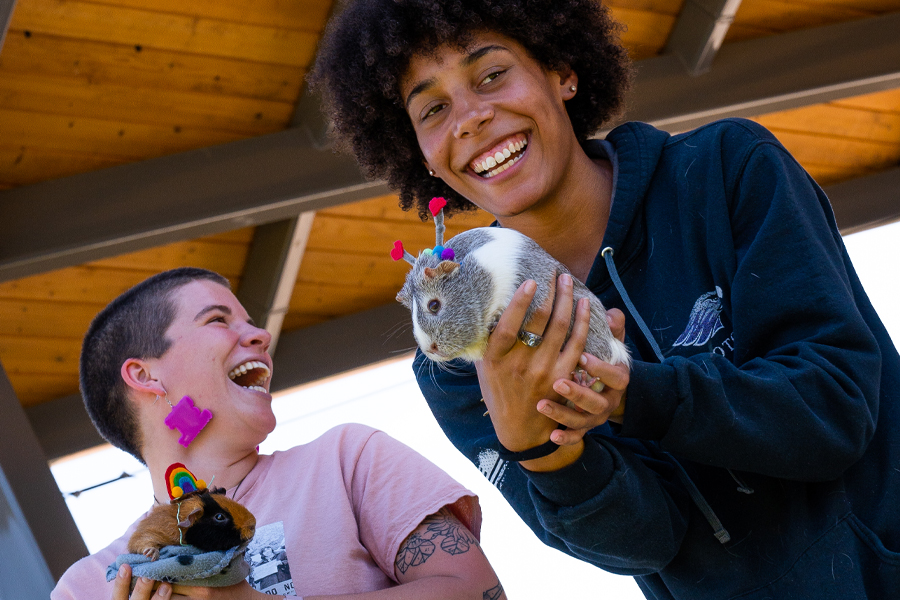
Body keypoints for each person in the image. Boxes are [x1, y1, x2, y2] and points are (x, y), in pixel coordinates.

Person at [310, 0, 900, 598]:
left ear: (563, 71)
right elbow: (646, 545)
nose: (470, 117)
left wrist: (633, 393)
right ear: (422, 155)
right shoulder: (460, 360)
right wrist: (541, 452)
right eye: (433, 109)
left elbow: (834, 411)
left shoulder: (726, 170)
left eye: (491, 75)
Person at [52, 267, 507, 600]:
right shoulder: (85, 588)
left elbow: (480, 592)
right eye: (218, 320)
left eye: (250, 322)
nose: (261, 335)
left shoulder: (348, 459)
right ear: (145, 376)